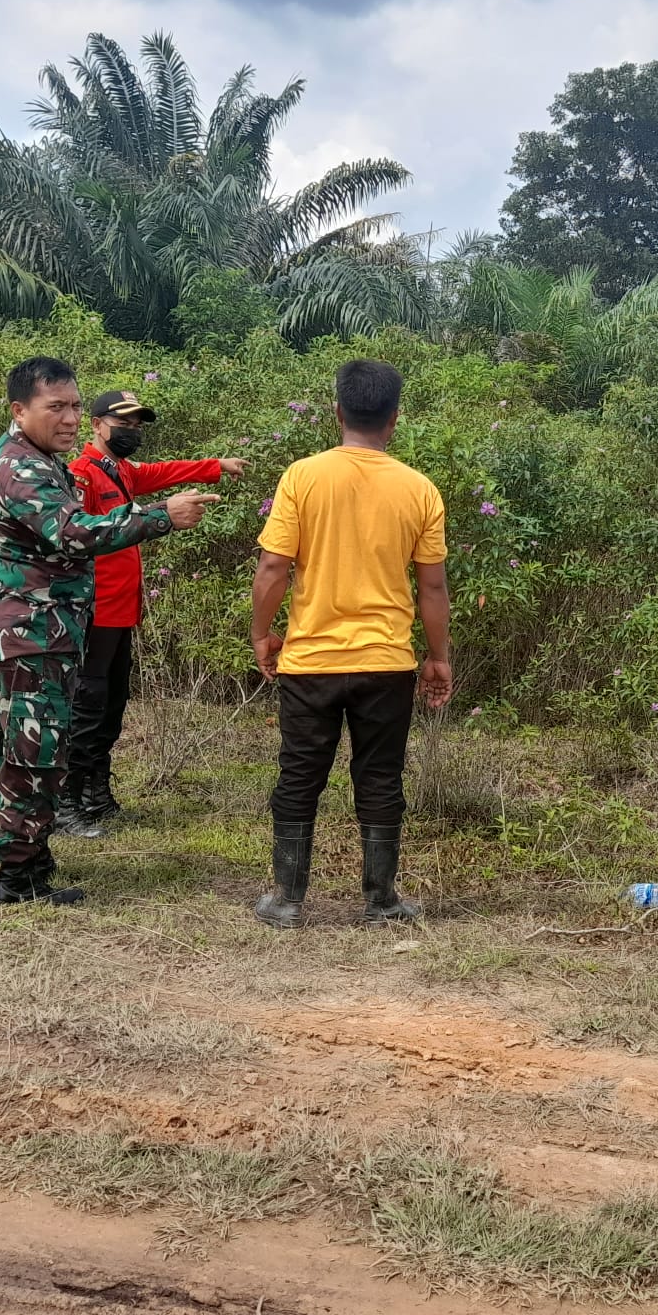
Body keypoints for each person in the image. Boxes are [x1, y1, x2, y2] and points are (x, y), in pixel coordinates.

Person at [0, 356, 218, 906]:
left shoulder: (41, 460)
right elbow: (74, 533)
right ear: (20, 409)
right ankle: (16, 881)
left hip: (37, 633)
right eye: (55, 407)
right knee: (31, 759)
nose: (69, 418)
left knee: (32, 754)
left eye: (75, 406)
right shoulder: (21, 467)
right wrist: (161, 516)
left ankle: (32, 866)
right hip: (27, 637)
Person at [250, 358, 452, 928]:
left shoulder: (302, 477)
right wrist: (438, 657)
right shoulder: (419, 489)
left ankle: (287, 900)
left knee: (299, 777)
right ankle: (381, 900)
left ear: (337, 411)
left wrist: (262, 634)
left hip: (310, 661)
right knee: (381, 778)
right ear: (394, 419)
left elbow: (273, 568)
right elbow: (432, 587)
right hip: (386, 662)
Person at [58, 390, 248, 833]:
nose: (132, 432)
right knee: (87, 707)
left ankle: (96, 792)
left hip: (123, 611)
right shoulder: (81, 474)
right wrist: (159, 511)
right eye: (123, 423)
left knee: (111, 705)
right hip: (94, 611)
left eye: (137, 425)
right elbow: (81, 537)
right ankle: (67, 801)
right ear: (96, 425)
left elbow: (162, 471)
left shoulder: (120, 471)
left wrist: (215, 466)